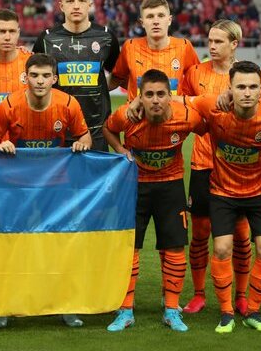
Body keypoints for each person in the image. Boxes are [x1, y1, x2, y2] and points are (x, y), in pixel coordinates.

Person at [179, 20, 261, 316]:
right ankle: (198, 294)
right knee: (200, 233)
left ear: (234, 44)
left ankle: (241, 296)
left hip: (238, 170)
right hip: (203, 163)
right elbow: (183, 106)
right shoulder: (195, 73)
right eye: (209, 40)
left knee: (241, 236)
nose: (211, 46)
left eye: (218, 41)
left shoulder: (252, 76)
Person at [187, 61, 261, 333]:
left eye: (253, 87)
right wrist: (137, 103)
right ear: (229, 88)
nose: (247, 92)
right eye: (240, 87)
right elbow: (178, 102)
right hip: (223, 192)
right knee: (222, 248)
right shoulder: (212, 106)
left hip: (260, 192)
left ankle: (253, 310)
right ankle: (226, 313)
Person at [0, 53, 91, 328]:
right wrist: (1, 146)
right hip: (17, 187)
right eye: (34, 75)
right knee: (12, 246)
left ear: (54, 79)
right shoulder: (8, 106)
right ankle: (3, 306)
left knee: (58, 245)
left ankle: (65, 306)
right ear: (25, 77)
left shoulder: (68, 104)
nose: (39, 81)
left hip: (54, 187)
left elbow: (85, 136)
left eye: (46, 76)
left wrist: (81, 144)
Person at [103, 69, 207, 333]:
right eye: (149, 94)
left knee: (174, 248)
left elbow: (207, 128)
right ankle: (125, 310)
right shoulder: (126, 116)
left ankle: (171, 310)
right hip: (135, 187)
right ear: (140, 97)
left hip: (171, 186)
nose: (156, 100)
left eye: (161, 94)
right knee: (130, 248)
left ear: (170, 96)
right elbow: (107, 129)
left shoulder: (186, 116)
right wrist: (121, 150)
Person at [32, 0, 120, 151]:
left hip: (96, 131)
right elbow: (34, 77)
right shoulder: (46, 39)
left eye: (81, 0)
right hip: (57, 130)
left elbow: (119, 75)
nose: (76, 6)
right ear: (61, 6)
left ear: (90, 5)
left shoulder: (106, 37)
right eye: (70, 1)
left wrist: (100, 87)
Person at [111, 0, 200, 101]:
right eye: (150, 16)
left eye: (161, 15)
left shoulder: (184, 47)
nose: (156, 21)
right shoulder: (130, 47)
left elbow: (198, 82)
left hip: (174, 111)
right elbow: (116, 79)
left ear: (169, 20)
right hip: (137, 112)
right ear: (142, 23)